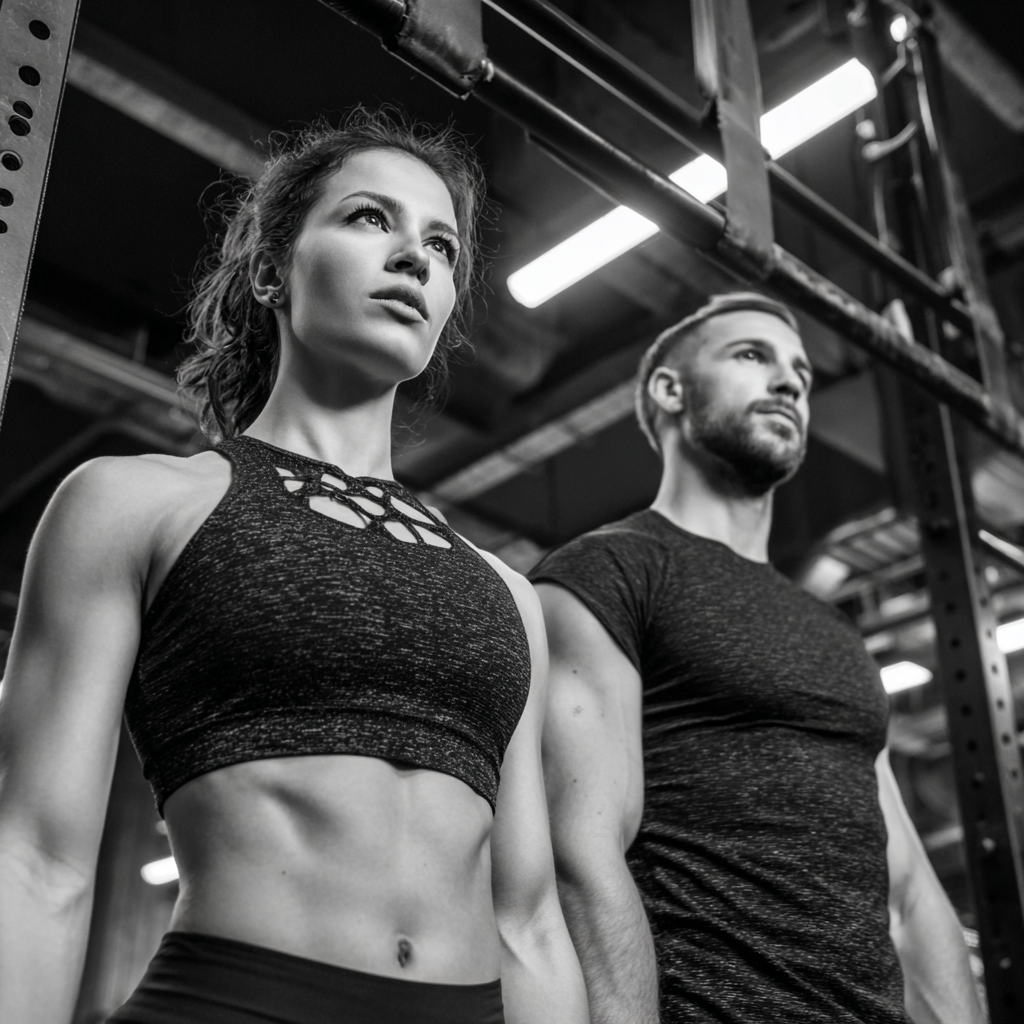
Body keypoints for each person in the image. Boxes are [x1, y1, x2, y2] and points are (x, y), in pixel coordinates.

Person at [0, 109, 588, 1024]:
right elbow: (35, 856)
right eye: (368, 219)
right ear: (273, 271)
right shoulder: (136, 502)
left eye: (442, 244)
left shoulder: (507, 594)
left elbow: (530, 919)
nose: (415, 258)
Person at [531, 292, 984, 1024]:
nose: (789, 384)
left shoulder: (834, 630)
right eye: (753, 356)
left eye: (801, 375)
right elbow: (581, 853)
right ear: (670, 391)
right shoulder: (608, 573)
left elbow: (905, 885)